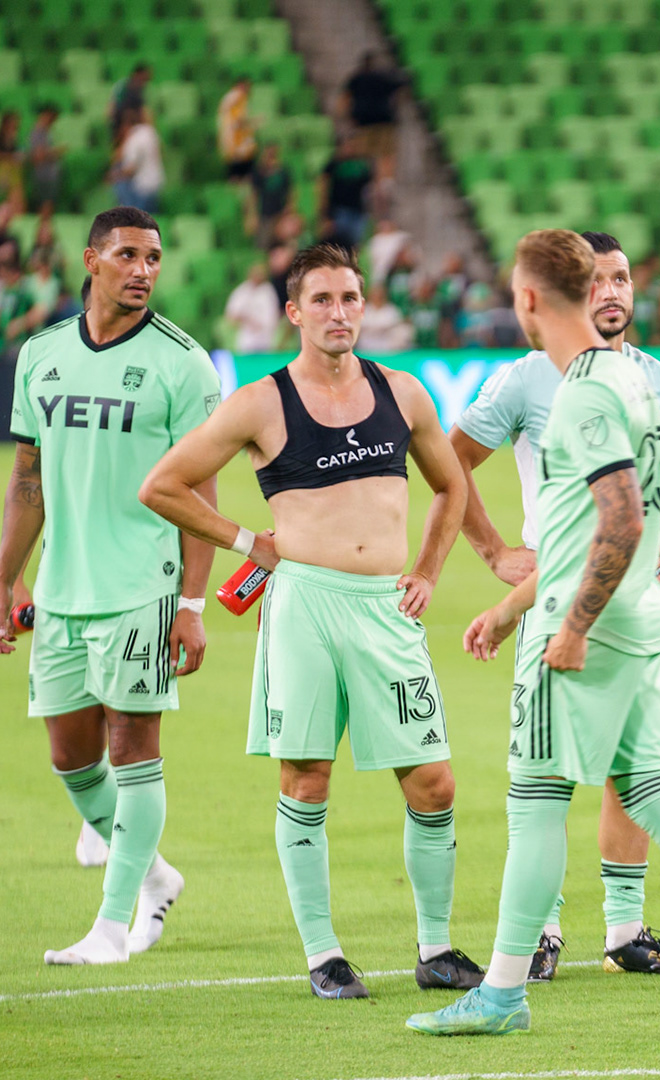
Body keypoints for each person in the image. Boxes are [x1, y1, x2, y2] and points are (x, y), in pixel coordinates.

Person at [409, 228, 660, 1038]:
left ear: (529, 300)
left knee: (536, 797)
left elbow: (616, 518)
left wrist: (569, 623)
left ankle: (503, 992)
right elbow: (610, 519)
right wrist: (510, 605)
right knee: (656, 791)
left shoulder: (580, 394)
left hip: (591, 618)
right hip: (638, 617)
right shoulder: (632, 379)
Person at [138, 242, 479, 999]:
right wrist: (246, 542)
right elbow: (164, 485)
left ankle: (437, 950)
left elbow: (452, 488)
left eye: (351, 298)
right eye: (322, 300)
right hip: (303, 607)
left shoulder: (405, 392)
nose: (339, 313)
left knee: (434, 783)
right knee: (307, 777)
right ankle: (324, 956)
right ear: (293, 313)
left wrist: (426, 571)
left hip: (386, 609)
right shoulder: (261, 400)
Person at [449, 230, 660, 978]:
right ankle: (541, 934)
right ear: (574, 291)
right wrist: (496, 552)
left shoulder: (657, 379)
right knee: (551, 774)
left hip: (625, 595)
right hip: (560, 592)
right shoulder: (529, 380)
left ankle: (624, 931)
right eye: (597, 279)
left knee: (633, 772)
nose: (611, 291)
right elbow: (452, 460)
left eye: (623, 278)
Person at [0, 206, 220, 965]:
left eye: (153, 256)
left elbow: (202, 496)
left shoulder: (184, 363)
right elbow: (28, 479)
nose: (144, 269)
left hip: (143, 586)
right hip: (60, 589)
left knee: (133, 748)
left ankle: (112, 929)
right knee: (72, 759)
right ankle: (152, 874)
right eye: (127, 255)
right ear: (91, 260)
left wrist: (191, 604)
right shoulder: (42, 354)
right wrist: (4, 579)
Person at [342, 51, 408, 175]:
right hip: (384, 120)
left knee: (364, 155)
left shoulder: (357, 78)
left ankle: (369, 180)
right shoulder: (384, 77)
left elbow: (346, 98)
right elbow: (401, 88)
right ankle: (386, 182)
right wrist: (396, 109)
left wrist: (349, 115)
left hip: (363, 122)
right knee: (386, 154)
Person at [319, 137, 374, 250]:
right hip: (339, 210)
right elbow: (324, 187)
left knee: (355, 246)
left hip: (358, 211)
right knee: (337, 245)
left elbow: (370, 187)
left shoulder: (362, 164)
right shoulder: (334, 164)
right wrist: (326, 214)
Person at [112, 107, 164, 214]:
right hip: (156, 184)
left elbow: (130, 169)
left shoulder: (134, 138)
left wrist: (113, 176)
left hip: (143, 188)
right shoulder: (150, 132)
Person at [224, 261, 282, 354]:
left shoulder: (268, 292)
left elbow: (273, 317)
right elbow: (231, 315)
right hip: (246, 341)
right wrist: (246, 320)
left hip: (265, 340)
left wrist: (258, 324)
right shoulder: (242, 291)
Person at [249, 144, 294, 246]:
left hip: (280, 213)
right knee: (263, 243)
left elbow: (290, 191)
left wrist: (289, 208)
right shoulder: (259, 172)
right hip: (265, 214)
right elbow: (254, 194)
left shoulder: (283, 171)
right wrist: (253, 215)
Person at [217, 77, 259, 184]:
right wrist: (254, 121)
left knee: (239, 176)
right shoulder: (236, 97)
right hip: (237, 144)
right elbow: (239, 122)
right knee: (239, 177)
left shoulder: (232, 99)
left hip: (236, 144)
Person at [357, 283, 414, 354]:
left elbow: (397, 326)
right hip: (366, 344)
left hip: (387, 345)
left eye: (380, 294)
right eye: (375, 294)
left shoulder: (391, 310)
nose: (377, 297)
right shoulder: (364, 309)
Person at [28, 106, 65, 213]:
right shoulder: (37, 133)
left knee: (50, 201)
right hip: (43, 174)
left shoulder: (49, 133)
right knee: (45, 201)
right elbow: (38, 155)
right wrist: (55, 152)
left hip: (51, 173)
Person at [0, 110, 25, 211]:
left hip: (14, 171)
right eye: (13, 122)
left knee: (18, 198)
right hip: (3, 172)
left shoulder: (14, 139)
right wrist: (10, 156)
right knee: (10, 197)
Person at [110, 63, 152, 138]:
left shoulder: (140, 90)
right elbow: (112, 107)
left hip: (133, 122)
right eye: (144, 78)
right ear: (136, 74)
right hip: (120, 120)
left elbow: (143, 111)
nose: (145, 83)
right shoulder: (123, 86)